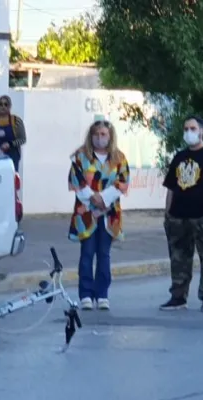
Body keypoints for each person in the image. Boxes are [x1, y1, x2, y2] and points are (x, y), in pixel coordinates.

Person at [158, 116, 203, 312]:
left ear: (201, 131)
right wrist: (167, 214)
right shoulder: (179, 157)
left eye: (192, 128)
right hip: (178, 216)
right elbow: (171, 187)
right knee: (179, 258)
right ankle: (178, 296)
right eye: (186, 129)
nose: (188, 132)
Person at [67, 120, 130, 310]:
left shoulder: (119, 158)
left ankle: (102, 294)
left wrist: (104, 198)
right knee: (87, 253)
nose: (99, 138)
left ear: (110, 137)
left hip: (109, 214)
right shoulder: (80, 157)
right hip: (86, 213)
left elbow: (123, 182)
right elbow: (76, 180)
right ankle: (85, 294)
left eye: (103, 134)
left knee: (104, 254)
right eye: (96, 134)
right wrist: (92, 197)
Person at [0, 95, 27, 171]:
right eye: (0, 104)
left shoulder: (16, 121)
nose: (3, 107)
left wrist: (10, 144)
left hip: (12, 160)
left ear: (10, 106)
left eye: (6, 104)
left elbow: (23, 139)